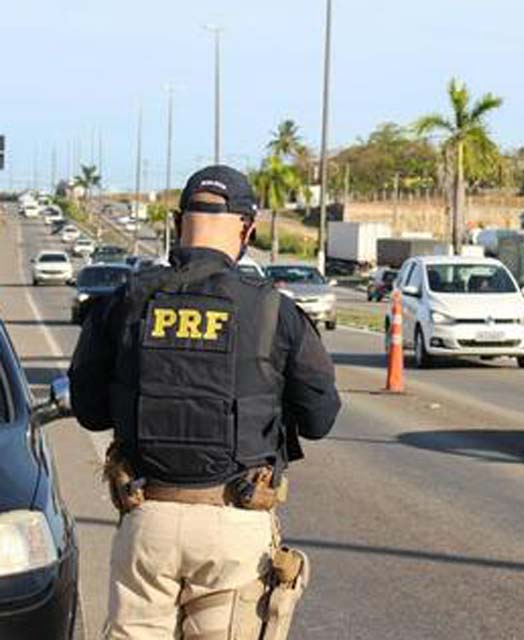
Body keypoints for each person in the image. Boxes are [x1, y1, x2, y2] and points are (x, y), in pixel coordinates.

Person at [68, 165, 341, 639]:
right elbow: (319, 418)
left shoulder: (125, 301)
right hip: (235, 527)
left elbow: (89, 411)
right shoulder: (274, 310)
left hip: (147, 518)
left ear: (178, 224)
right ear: (247, 231)